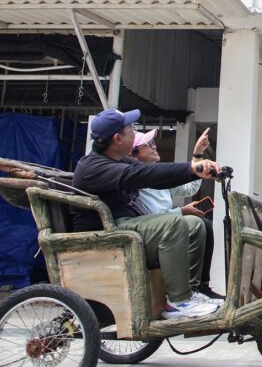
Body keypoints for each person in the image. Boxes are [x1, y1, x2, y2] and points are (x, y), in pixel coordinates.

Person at [71, 108, 221, 319]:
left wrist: (197, 169)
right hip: (108, 232)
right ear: (117, 138)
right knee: (172, 223)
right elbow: (143, 174)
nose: (134, 131)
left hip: (125, 224)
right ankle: (179, 300)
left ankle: (191, 291)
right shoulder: (95, 166)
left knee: (194, 225)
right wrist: (191, 168)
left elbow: (158, 177)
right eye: (131, 128)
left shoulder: (119, 160)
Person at [131, 127, 223, 300]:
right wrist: (181, 211)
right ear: (134, 154)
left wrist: (197, 155)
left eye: (153, 142)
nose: (154, 146)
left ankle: (201, 286)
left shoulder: (156, 173)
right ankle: (191, 290)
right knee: (198, 225)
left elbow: (189, 188)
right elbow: (150, 216)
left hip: (167, 222)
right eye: (147, 144)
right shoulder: (135, 176)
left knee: (205, 225)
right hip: (156, 229)